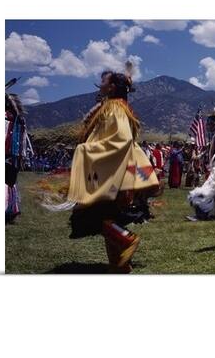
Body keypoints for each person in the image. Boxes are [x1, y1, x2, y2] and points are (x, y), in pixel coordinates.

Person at [42, 66, 160, 272]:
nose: (100, 84)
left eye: (104, 81)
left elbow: (121, 139)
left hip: (114, 172)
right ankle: (119, 264)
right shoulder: (116, 107)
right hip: (116, 170)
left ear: (112, 87)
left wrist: (86, 150)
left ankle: (126, 239)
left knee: (95, 217)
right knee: (107, 216)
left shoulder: (115, 108)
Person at [5, 86, 31, 223]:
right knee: (11, 182)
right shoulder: (20, 119)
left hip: (8, 155)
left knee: (7, 182)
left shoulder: (8, 117)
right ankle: (12, 211)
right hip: (14, 156)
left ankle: (8, 210)